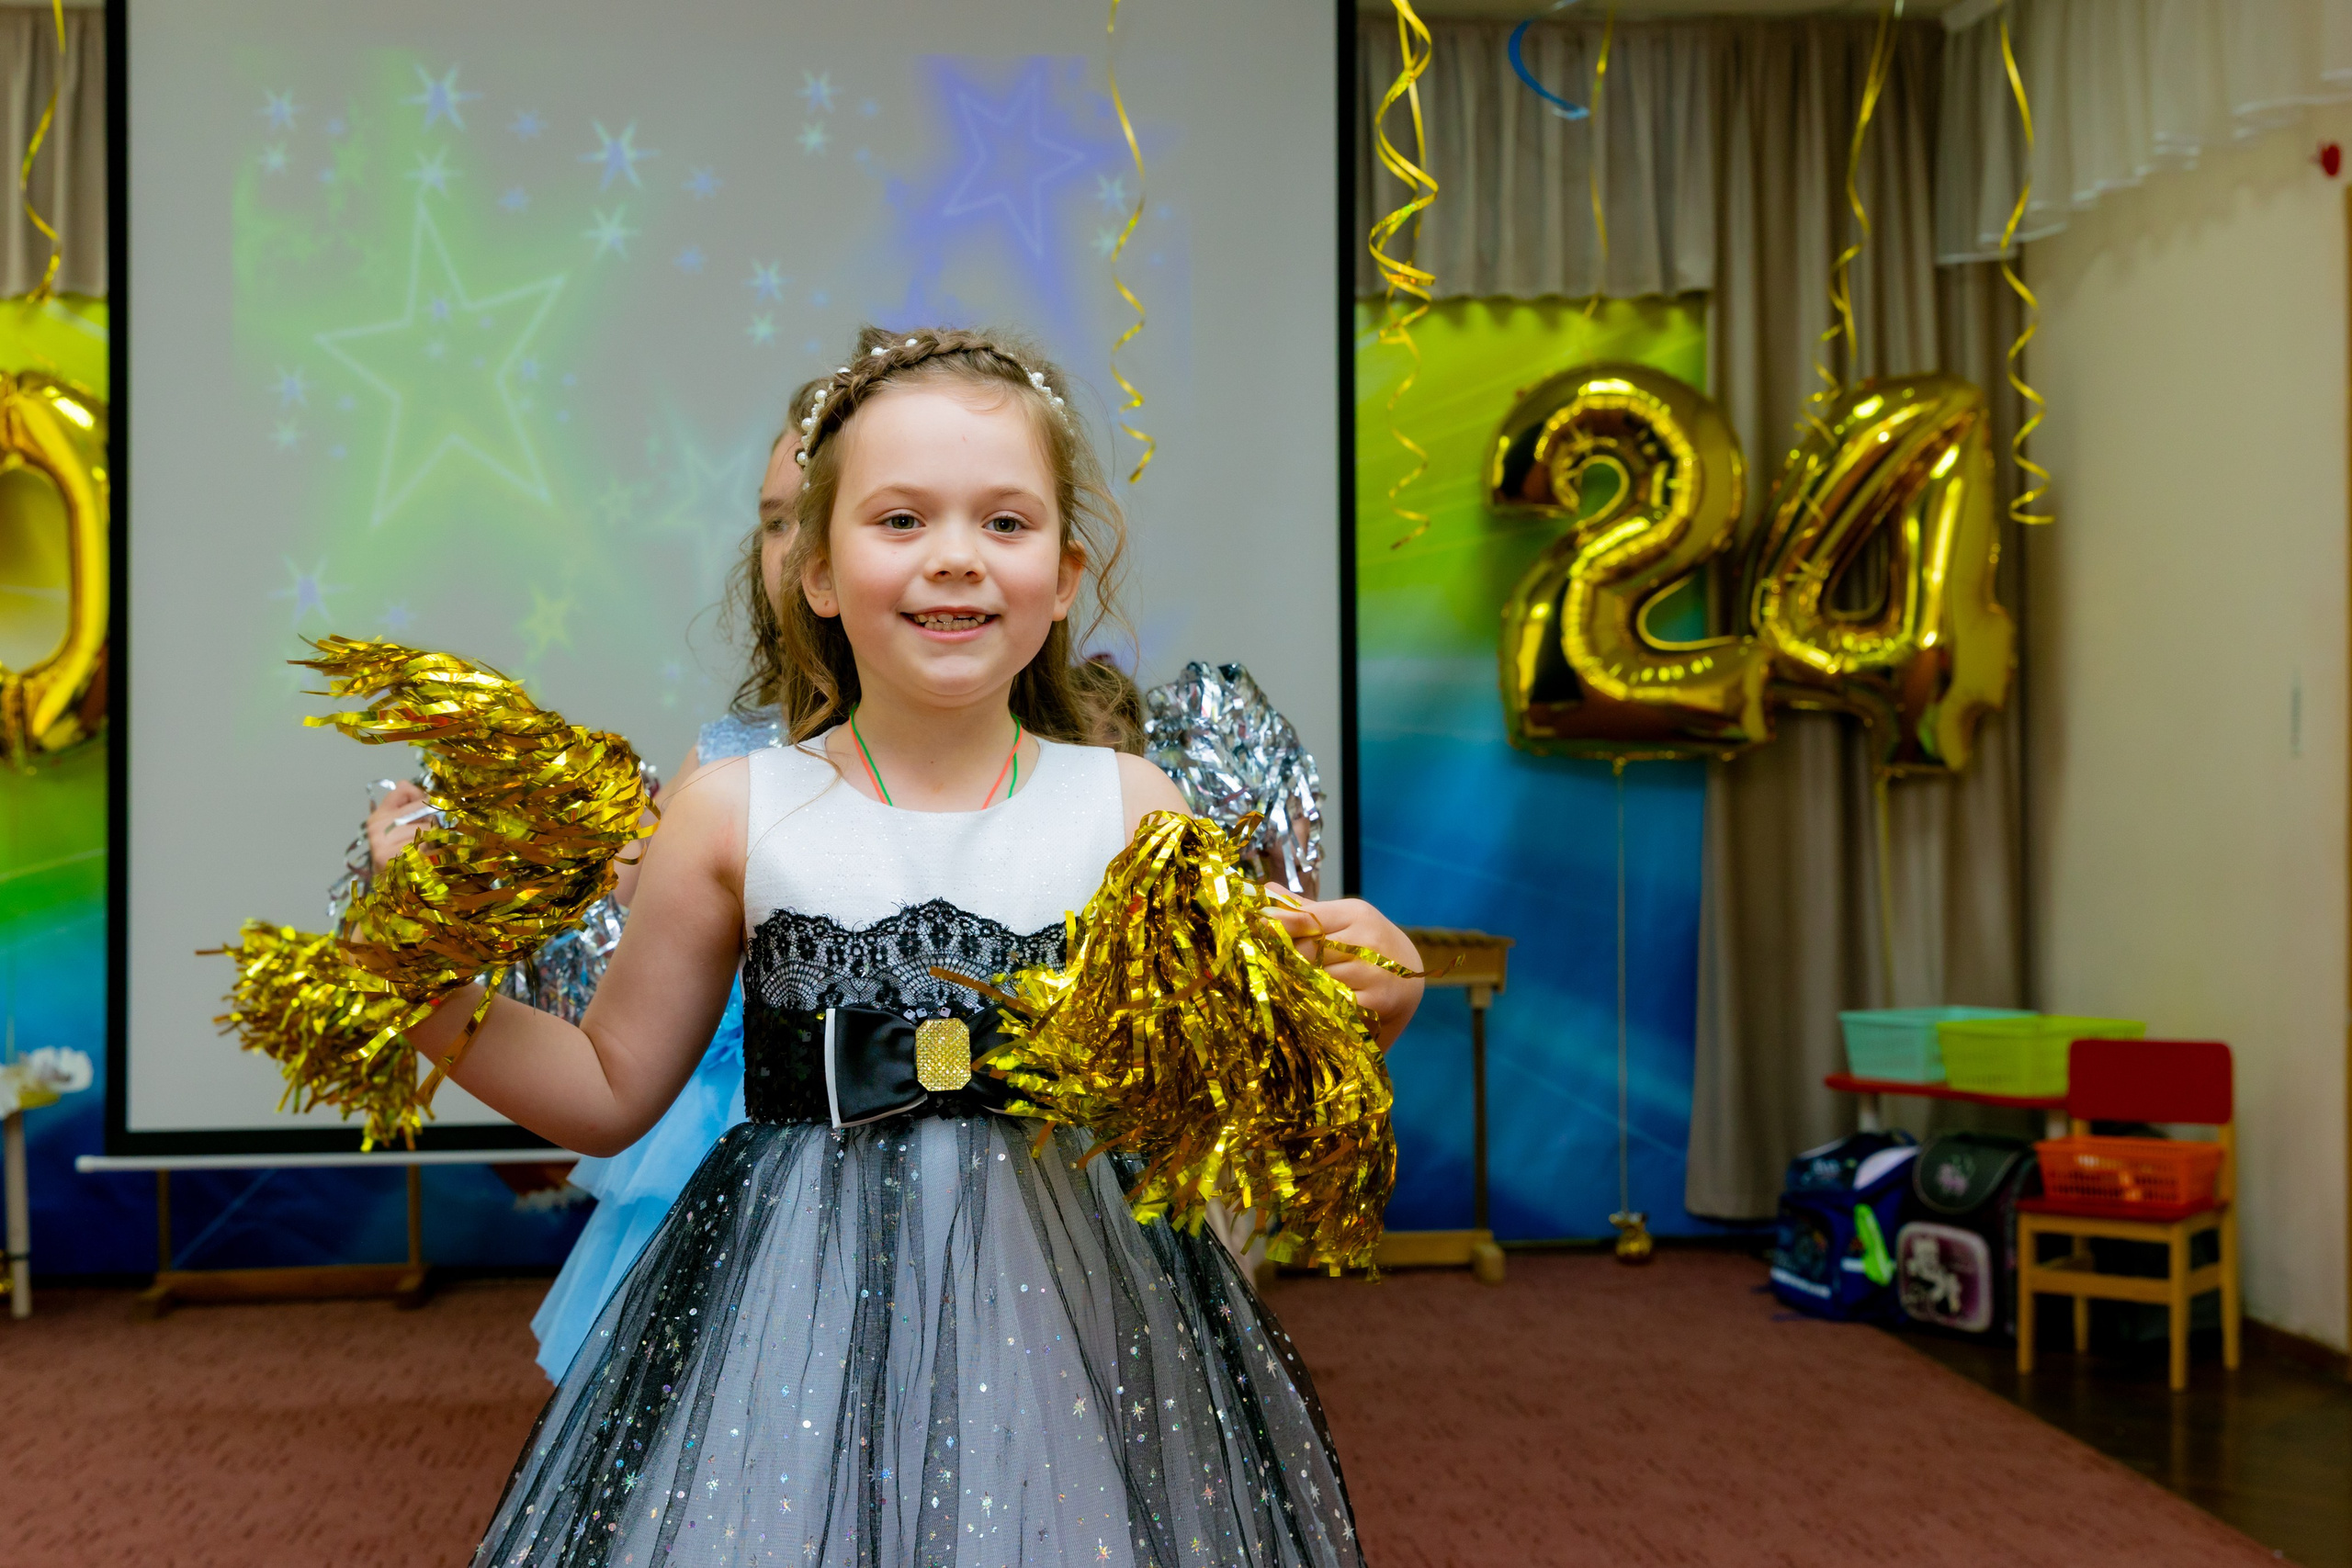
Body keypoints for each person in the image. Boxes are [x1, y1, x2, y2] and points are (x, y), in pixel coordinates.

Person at [404, 325, 1420, 1565]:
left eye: (1006, 522)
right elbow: (608, 1089)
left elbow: (1219, 1095)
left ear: (1064, 572)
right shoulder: (739, 805)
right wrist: (424, 998)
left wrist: (1366, 1006)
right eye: (899, 519)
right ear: (816, 571)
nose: (956, 558)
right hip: (794, 1306)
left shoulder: (1132, 805)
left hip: (1072, 1301)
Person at [366, 378, 828, 1381]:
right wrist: (427, 947)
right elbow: (615, 1051)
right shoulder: (731, 772)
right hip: (744, 1161)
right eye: (773, 521)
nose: (795, 548)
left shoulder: (1100, 790)